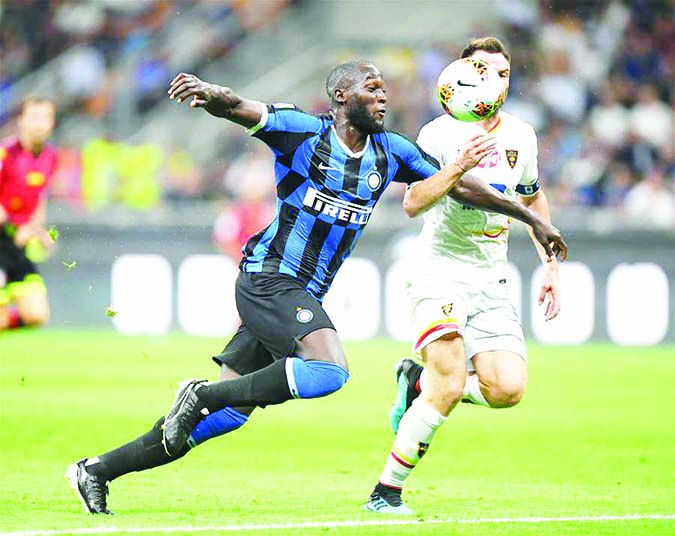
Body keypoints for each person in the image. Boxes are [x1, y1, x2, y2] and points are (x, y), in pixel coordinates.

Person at [66, 61, 566, 515]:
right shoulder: (303, 134)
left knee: (226, 417)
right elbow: (242, 107)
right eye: (372, 89)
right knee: (328, 370)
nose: (383, 97)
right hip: (268, 280)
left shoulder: (392, 152)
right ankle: (200, 396)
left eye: (384, 90)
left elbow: (457, 187)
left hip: (298, 294)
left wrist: (530, 218)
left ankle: (96, 470)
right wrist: (210, 92)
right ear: (342, 97)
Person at [364, 37, 568, 515]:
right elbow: (412, 203)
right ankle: (385, 491)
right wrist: (458, 166)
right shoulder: (439, 133)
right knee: (451, 384)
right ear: (462, 73)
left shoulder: (522, 136)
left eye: (502, 73)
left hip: (490, 276)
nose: (492, 80)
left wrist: (550, 266)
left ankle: (418, 382)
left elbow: (533, 199)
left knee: (507, 389)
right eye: (481, 69)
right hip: (439, 269)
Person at [0, 96, 57, 331]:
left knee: (37, 314)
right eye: (34, 117)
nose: (39, 124)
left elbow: (39, 198)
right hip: (2, 239)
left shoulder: (50, 157)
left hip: (19, 245)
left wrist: (38, 231)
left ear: (52, 123)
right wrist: (14, 227)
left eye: (45, 117)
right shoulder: (5, 154)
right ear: (20, 121)